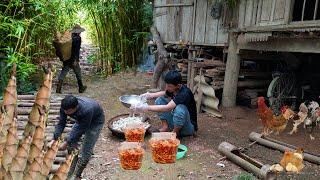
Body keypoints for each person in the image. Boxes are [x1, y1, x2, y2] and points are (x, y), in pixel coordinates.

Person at [51, 95, 105, 179]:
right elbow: (61, 123)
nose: (65, 112)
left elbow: (81, 130)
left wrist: (66, 142)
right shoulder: (65, 107)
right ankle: (71, 160)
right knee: (72, 141)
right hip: (81, 119)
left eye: (68, 111)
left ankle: (77, 175)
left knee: (85, 151)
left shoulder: (87, 110)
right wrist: (55, 138)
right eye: (64, 110)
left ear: (75, 107)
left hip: (95, 122)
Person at [131, 70, 197, 137]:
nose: (167, 88)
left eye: (169, 86)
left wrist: (146, 107)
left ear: (178, 86)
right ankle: (165, 127)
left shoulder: (184, 93)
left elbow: (168, 107)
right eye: (166, 85)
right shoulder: (173, 89)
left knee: (179, 109)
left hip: (188, 127)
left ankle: (174, 133)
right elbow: (164, 93)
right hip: (178, 122)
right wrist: (150, 95)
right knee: (159, 100)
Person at [55, 24, 87, 94]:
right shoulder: (78, 38)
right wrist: (76, 60)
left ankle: (58, 88)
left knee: (63, 72)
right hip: (73, 59)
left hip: (66, 59)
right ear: (78, 31)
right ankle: (81, 88)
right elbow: (76, 50)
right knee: (78, 72)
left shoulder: (70, 38)